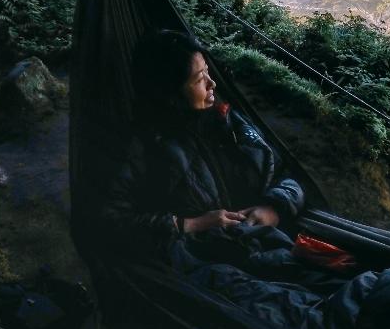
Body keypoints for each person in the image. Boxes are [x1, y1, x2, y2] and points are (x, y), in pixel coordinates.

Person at [100, 30, 305, 259]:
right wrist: (190, 224)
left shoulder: (227, 119)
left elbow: (287, 174)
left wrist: (274, 208)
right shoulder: (144, 147)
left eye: (207, 71)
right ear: (170, 93)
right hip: (208, 264)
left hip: (272, 242)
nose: (212, 83)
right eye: (199, 79)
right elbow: (109, 223)